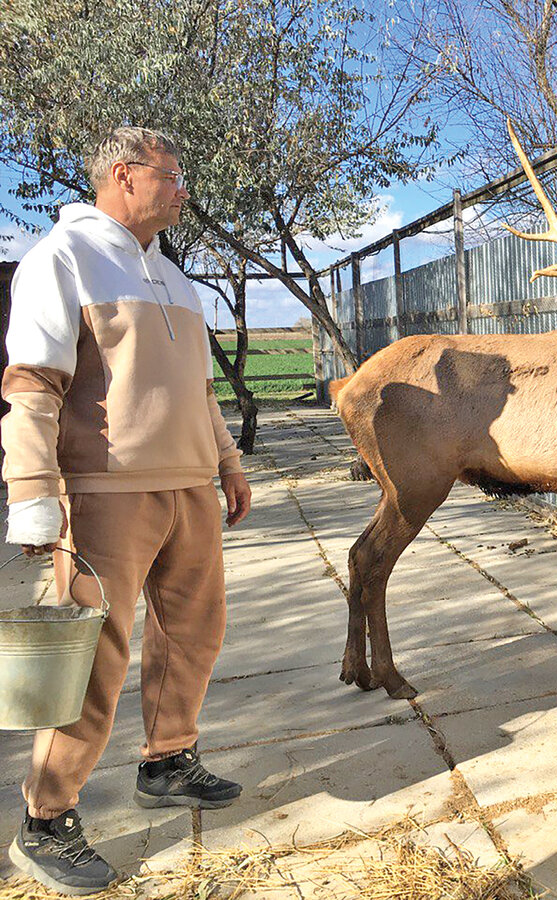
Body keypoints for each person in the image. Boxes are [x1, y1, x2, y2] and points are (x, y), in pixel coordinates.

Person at [1, 126, 252, 895]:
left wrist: (228, 463)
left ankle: (169, 760)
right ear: (124, 175)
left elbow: (201, 392)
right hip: (105, 494)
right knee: (91, 660)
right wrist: (33, 497)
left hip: (189, 488)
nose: (183, 189)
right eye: (172, 176)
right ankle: (45, 820)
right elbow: (31, 388)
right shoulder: (62, 259)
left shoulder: (175, 277)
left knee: (195, 633)